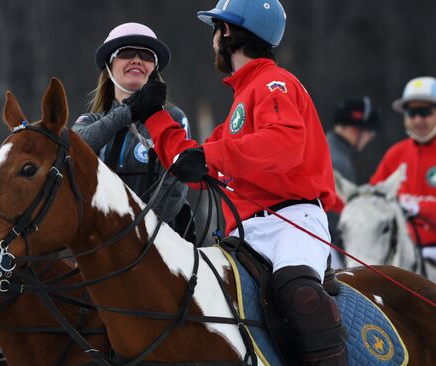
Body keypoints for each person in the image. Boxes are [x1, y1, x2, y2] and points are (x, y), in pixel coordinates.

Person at [126, 0, 347, 364]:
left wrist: (211, 157)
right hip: (244, 234)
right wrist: (154, 117)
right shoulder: (239, 106)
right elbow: (192, 164)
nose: (212, 40)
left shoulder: (275, 82)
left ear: (226, 32)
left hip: (293, 222)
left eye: (215, 30)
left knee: (297, 293)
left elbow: (284, 145)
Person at [72, 22, 195, 242]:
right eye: (127, 53)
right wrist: (127, 112)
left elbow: (174, 189)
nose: (137, 59)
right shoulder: (89, 121)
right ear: (109, 67)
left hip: (157, 245)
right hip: (99, 244)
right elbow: (75, 148)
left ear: (153, 69)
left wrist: (136, 233)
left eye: (147, 56)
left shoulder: (174, 118)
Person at [370, 76, 436, 264]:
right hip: (400, 254)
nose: (418, 120)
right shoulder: (395, 153)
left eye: (425, 112)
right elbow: (375, 196)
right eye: (411, 113)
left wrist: (419, 207)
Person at [326, 96, 380, 268]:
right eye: (369, 134)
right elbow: (339, 221)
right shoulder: (339, 161)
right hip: (326, 246)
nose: (369, 139)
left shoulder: (327, 146)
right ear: (356, 130)